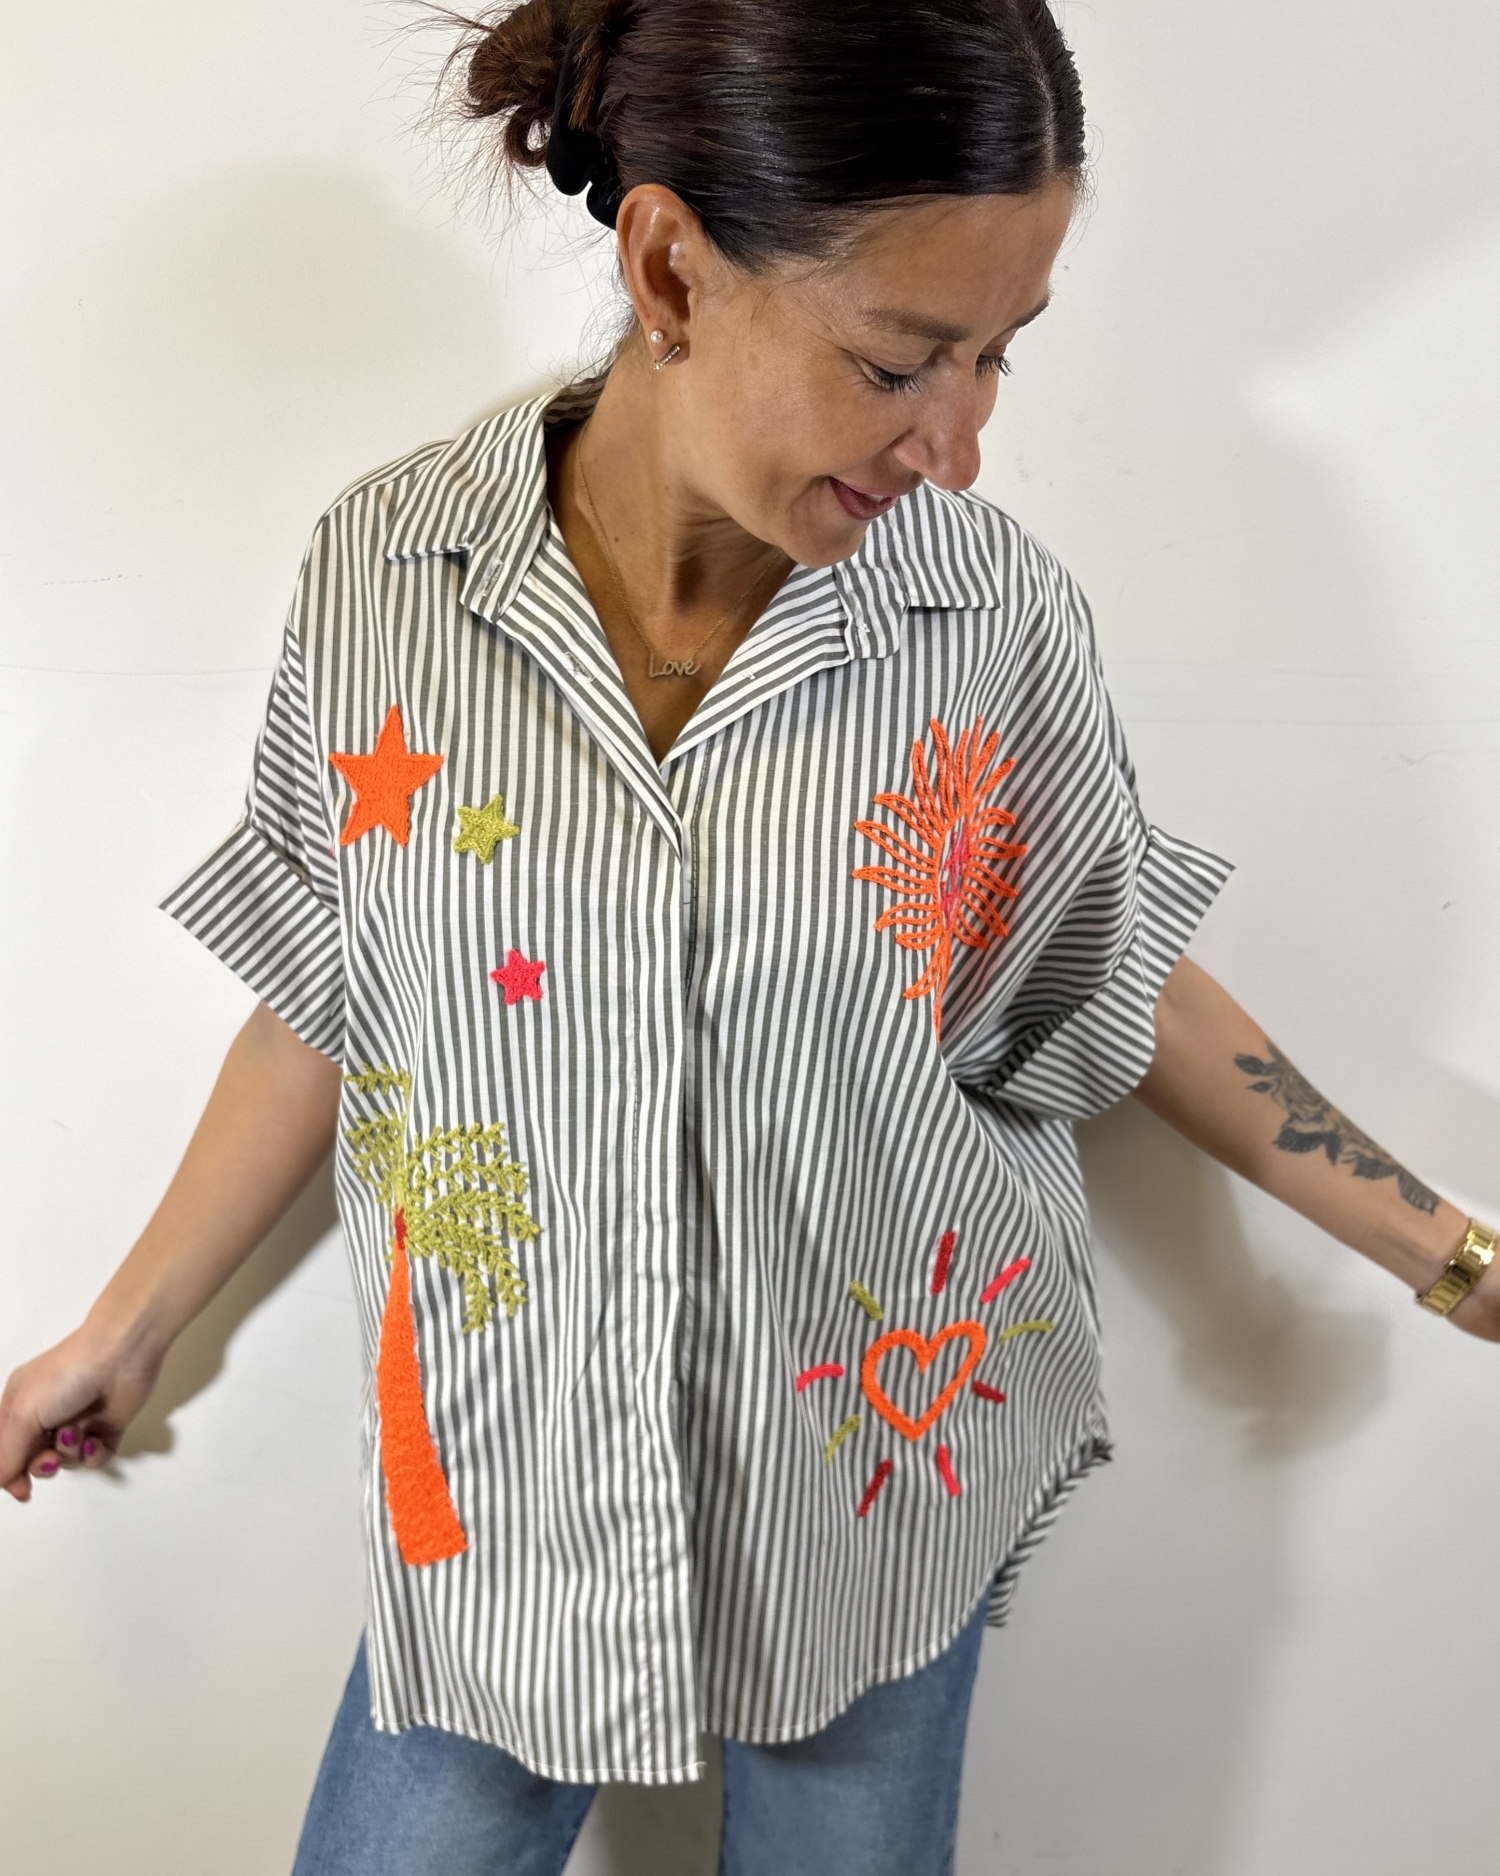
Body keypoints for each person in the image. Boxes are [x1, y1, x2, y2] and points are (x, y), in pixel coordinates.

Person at [3, 2, 1496, 1871]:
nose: (958, 445)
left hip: (874, 1483)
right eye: (900, 360)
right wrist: (126, 1327)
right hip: (509, 1483)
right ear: (669, 269)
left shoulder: (986, 620)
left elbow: (1107, 975)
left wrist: (1458, 1259)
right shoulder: (387, 579)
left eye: (1001, 357)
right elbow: (341, 990)